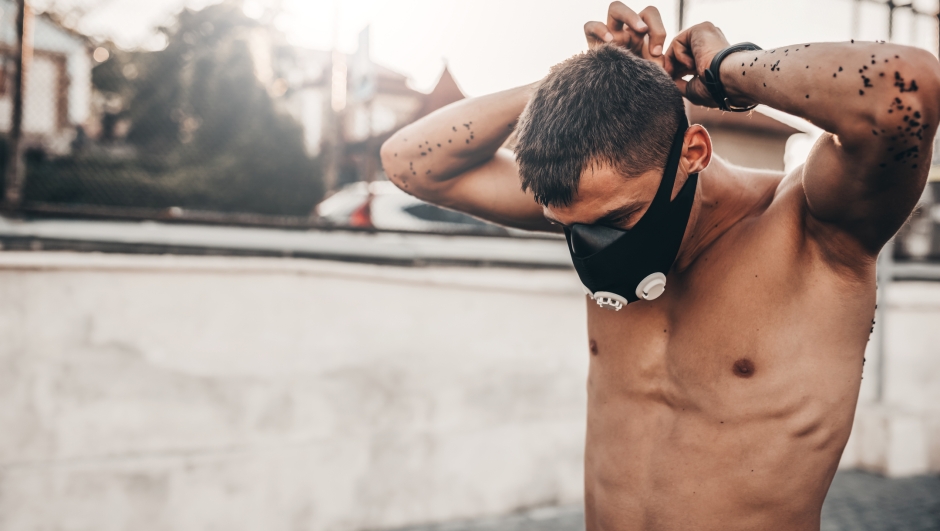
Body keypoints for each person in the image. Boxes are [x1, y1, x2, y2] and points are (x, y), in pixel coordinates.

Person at [379, 3, 940, 530]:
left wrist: (725, 68)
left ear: (694, 151)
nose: (594, 243)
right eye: (572, 225)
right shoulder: (591, 201)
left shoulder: (814, 231)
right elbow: (411, 163)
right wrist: (587, 81)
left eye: (620, 217)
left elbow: (906, 89)